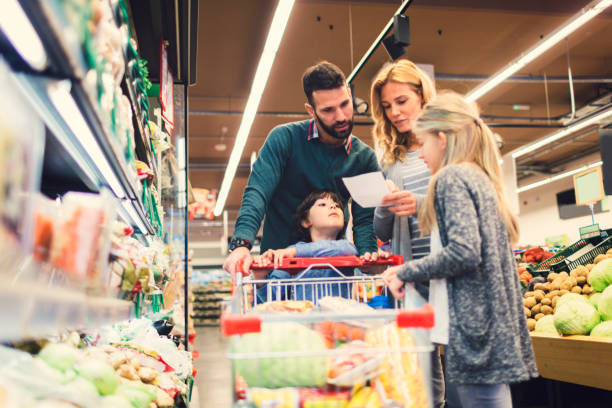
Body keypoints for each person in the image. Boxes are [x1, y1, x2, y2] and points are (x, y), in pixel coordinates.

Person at [382, 91, 538, 408]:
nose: (422, 155)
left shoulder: (451, 177)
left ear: (442, 139)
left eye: (423, 143)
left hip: (474, 329)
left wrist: (405, 271)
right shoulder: (479, 176)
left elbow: (464, 252)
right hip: (492, 325)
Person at [224, 61, 380, 276]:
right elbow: (257, 192)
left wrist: (368, 258)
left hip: (333, 273)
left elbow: (365, 221)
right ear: (311, 111)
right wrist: (241, 244)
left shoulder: (364, 158)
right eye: (328, 110)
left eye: (345, 104)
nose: (341, 116)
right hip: (278, 273)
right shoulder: (284, 139)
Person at [370, 60, 451, 408]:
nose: (394, 113)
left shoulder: (449, 145)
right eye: (387, 107)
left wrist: (417, 203)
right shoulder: (391, 159)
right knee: (422, 372)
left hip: (450, 270)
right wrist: (384, 204)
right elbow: (381, 232)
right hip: (413, 276)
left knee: (462, 367)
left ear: (422, 94)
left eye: (401, 101)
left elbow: (459, 205)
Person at [253, 190, 358, 303]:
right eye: (322, 204)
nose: (333, 206)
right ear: (306, 221)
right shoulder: (292, 252)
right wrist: (260, 277)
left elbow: (346, 249)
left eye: (337, 206)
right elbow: (272, 296)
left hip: (339, 319)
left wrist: (294, 252)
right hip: (305, 318)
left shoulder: (345, 247)